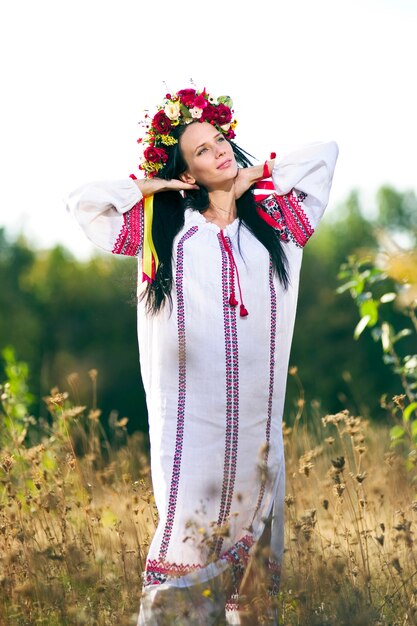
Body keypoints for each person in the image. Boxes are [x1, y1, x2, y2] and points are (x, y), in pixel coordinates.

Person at [66, 86, 338, 625]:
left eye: (219, 141)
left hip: (258, 437)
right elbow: (84, 203)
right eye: (199, 151)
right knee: (180, 583)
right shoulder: (164, 232)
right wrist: (160, 185)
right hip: (193, 436)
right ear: (185, 170)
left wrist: (249, 178)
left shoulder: (274, 227)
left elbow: (324, 155)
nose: (217, 151)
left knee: (255, 600)